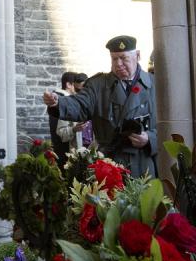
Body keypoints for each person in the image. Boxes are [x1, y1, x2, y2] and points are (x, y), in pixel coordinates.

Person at [42, 35, 157, 177]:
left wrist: (150, 138)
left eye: (123, 58)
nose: (118, 64)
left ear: (137, 55)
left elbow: (171, 128)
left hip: (144, 166)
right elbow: (80, 104)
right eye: (114, 59)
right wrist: (58, 102)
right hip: (109, 166)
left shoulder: (155, 85)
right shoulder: (98, 85)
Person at [56, 72, 94, 156]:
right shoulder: (69, 106)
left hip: (97, 152)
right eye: (77, 90)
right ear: (73, 87)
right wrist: (73, 129)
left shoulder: (97, 104)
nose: (80, 93)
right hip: (77, 154)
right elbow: (60, 133)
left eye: (84, 90)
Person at [48, 72, 80, 168]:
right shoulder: (62, 100)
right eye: (76, 85)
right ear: (68, 85)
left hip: (60, 146)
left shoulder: (60, 99)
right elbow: (60, 130)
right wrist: (75, 129)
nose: (79, 89)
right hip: (65, 149)